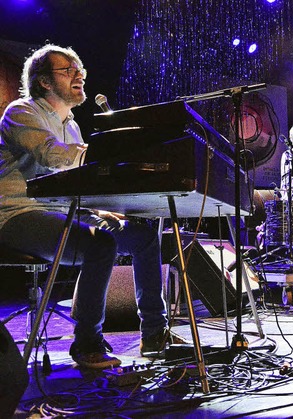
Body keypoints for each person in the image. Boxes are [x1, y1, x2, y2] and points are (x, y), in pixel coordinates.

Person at [0, 44, 169, 368]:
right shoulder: (21, 112)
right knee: (100, 244)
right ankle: (87, 343)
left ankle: (155, 333)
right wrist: (111, 152)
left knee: (142, 237)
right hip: (18, 215)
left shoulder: (73, 126)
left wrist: (100, 207)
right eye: (68, 70)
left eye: (81, 70)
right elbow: (53, 155)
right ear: (45, 82)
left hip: (62, 212)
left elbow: (76, 182)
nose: (79, 75)